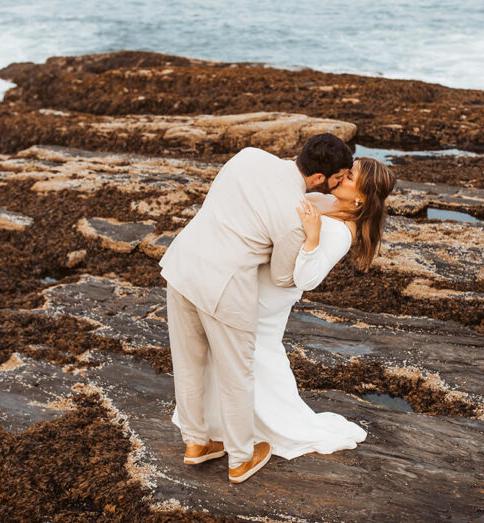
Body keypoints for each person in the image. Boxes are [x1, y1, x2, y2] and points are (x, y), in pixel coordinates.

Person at [160, 134, 353, 483]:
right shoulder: (295, 214)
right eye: (342, 176)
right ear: (323, 178)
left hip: (182, 266)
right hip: (224, 287)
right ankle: (240, 459)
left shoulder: (248, 156)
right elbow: (282, 277)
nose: (342, 182)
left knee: (188, 363)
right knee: (237, 374)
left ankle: (195, 444)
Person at [175, 157, 397, 461]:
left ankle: (259, 432)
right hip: (250, 286)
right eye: (346, 169)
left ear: (360, 196)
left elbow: (308, 279)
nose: (342, 175)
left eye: (350, 176)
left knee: (255, 357)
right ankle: (218, 431)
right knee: (231, 356)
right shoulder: (326, 201)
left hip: (270, 299)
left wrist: (313, 235)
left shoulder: (344, 232)